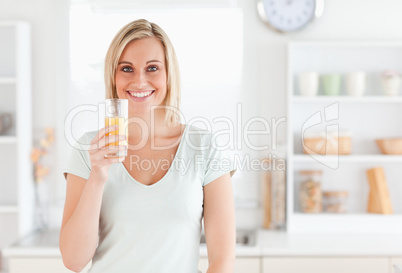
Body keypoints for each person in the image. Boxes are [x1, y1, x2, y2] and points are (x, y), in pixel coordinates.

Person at [60, 19, 236, 273]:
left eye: (152, 68)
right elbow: (74, 261)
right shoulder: (89, 148)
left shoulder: (205, 147)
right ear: (114, 76)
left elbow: (223, 261)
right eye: (127, 69)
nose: (140, 81)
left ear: (168, 74)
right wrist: (97, 176)